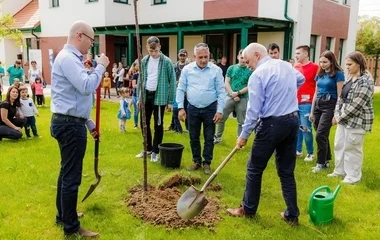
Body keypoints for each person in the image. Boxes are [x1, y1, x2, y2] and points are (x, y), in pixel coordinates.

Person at [226, 43, 305, 226]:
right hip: (292, 121)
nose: (248, 65)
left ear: (256, 55)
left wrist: (244, 135)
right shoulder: (285, 65)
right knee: (286, 171)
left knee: (254, 168)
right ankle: (292, 215)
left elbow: (253, 111)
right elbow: (300, 79)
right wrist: (285, 93)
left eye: (248, 61)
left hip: (271, 124)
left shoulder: (258, 75)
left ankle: (247, 210)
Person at [50, 20, 109, 238]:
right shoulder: (68, 59)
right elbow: (86, 87)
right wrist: (101, 66)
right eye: (91, 40)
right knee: (71, 177)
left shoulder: (70, 59)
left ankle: (64, 215)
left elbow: (73, 97)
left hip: (71, 121)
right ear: (79, 36)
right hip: (69, 125)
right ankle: (71, 228)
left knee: (66, 172)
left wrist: (88, 122)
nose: (91, 46)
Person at [176, 43, 225, 175]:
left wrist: (220, 110)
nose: (203, 60)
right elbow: (180, 89)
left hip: (210, 108)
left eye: (206, 57)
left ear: (209, 55)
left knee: (209, 137)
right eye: (200, 57)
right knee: (193, 136)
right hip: (192, 108)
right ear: (194, 56)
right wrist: (180, 107)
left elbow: (221, 91)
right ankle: (196, 161)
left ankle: (207, 162)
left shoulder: (216, 70)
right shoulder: (187, 70)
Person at [329, 51, 374, 184]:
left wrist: (339, 117)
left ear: (359, 64)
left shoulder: (366, 82)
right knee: (339, 145)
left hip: (357, 122)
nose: (347, 67)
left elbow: (356, 105)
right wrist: (337, 114)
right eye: (346, 64)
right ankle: (339, 171)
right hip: (343, 120)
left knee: (352, 149)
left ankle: (353, 177)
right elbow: (341, 98)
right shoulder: (349, 78)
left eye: (350, 64)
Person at [135, 36, 175, 162]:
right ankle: (147, 148)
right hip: (146, 95)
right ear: (147, 48)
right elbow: (140, 80)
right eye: (151, 51)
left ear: (160, 47)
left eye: (156, 51)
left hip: (160, 97)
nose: (153, 54)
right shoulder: (144, 61)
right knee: (144, 123)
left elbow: (173, 81)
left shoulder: (167, 62)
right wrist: (139, 98)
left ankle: (156, 151)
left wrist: (170, 101)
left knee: (158, 124)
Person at [309, 51, 344, 173]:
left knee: (320, 135)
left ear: (332, 61)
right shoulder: (320, 74)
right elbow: (315, 92)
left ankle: (321, 163)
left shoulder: (338, 75)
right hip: (318, 104)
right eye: (320, 62)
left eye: (325, 62)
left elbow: (340, 96)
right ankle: (326, 160)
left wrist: (336, 113)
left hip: (330, 105)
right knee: (321, 135)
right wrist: (312, 111)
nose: (322, 64)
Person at [214, 49, 252, 144]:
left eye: (245, 58)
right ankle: (218, 137)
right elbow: (226, 82)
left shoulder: (250, 70)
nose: (243, 60)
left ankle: (239, 140)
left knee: (241, 121)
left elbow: (250, 85)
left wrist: (238, 93)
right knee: (221, 117)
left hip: (243, 98)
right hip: (230, 96)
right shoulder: (231, 68)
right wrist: (232, 94)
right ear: (238, 57)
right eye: (241, 57)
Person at [294, 45, 318, 161]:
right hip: (295, 102)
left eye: (298, 53)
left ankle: (310, 153)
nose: (296, 55)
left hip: (307, 102)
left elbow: (319, 86)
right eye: (296, 53)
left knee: (305, 127)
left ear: (306, 54)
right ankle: (297, 151)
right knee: (297, 128)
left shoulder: (315, 67)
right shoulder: (295, 67)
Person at [169, 48, 190, 132]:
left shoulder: (189, 66)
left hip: (187, 92)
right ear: (178, 55)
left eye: (183, 55)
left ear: (186, 56)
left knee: (187, 110)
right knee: (175, 110)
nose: (182, 57)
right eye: (180, 55)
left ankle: (188, 128)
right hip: (176, 91)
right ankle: (177, 128)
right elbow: (171, 78)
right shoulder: (174, 66)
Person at [131, 62, 140, 129]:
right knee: (136, 110)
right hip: (136, 95)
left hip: (143, 96)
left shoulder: (145, 75)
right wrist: (140, 85)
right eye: (137, 66)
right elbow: (133, 86)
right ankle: (135, 124)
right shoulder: (135, 75)